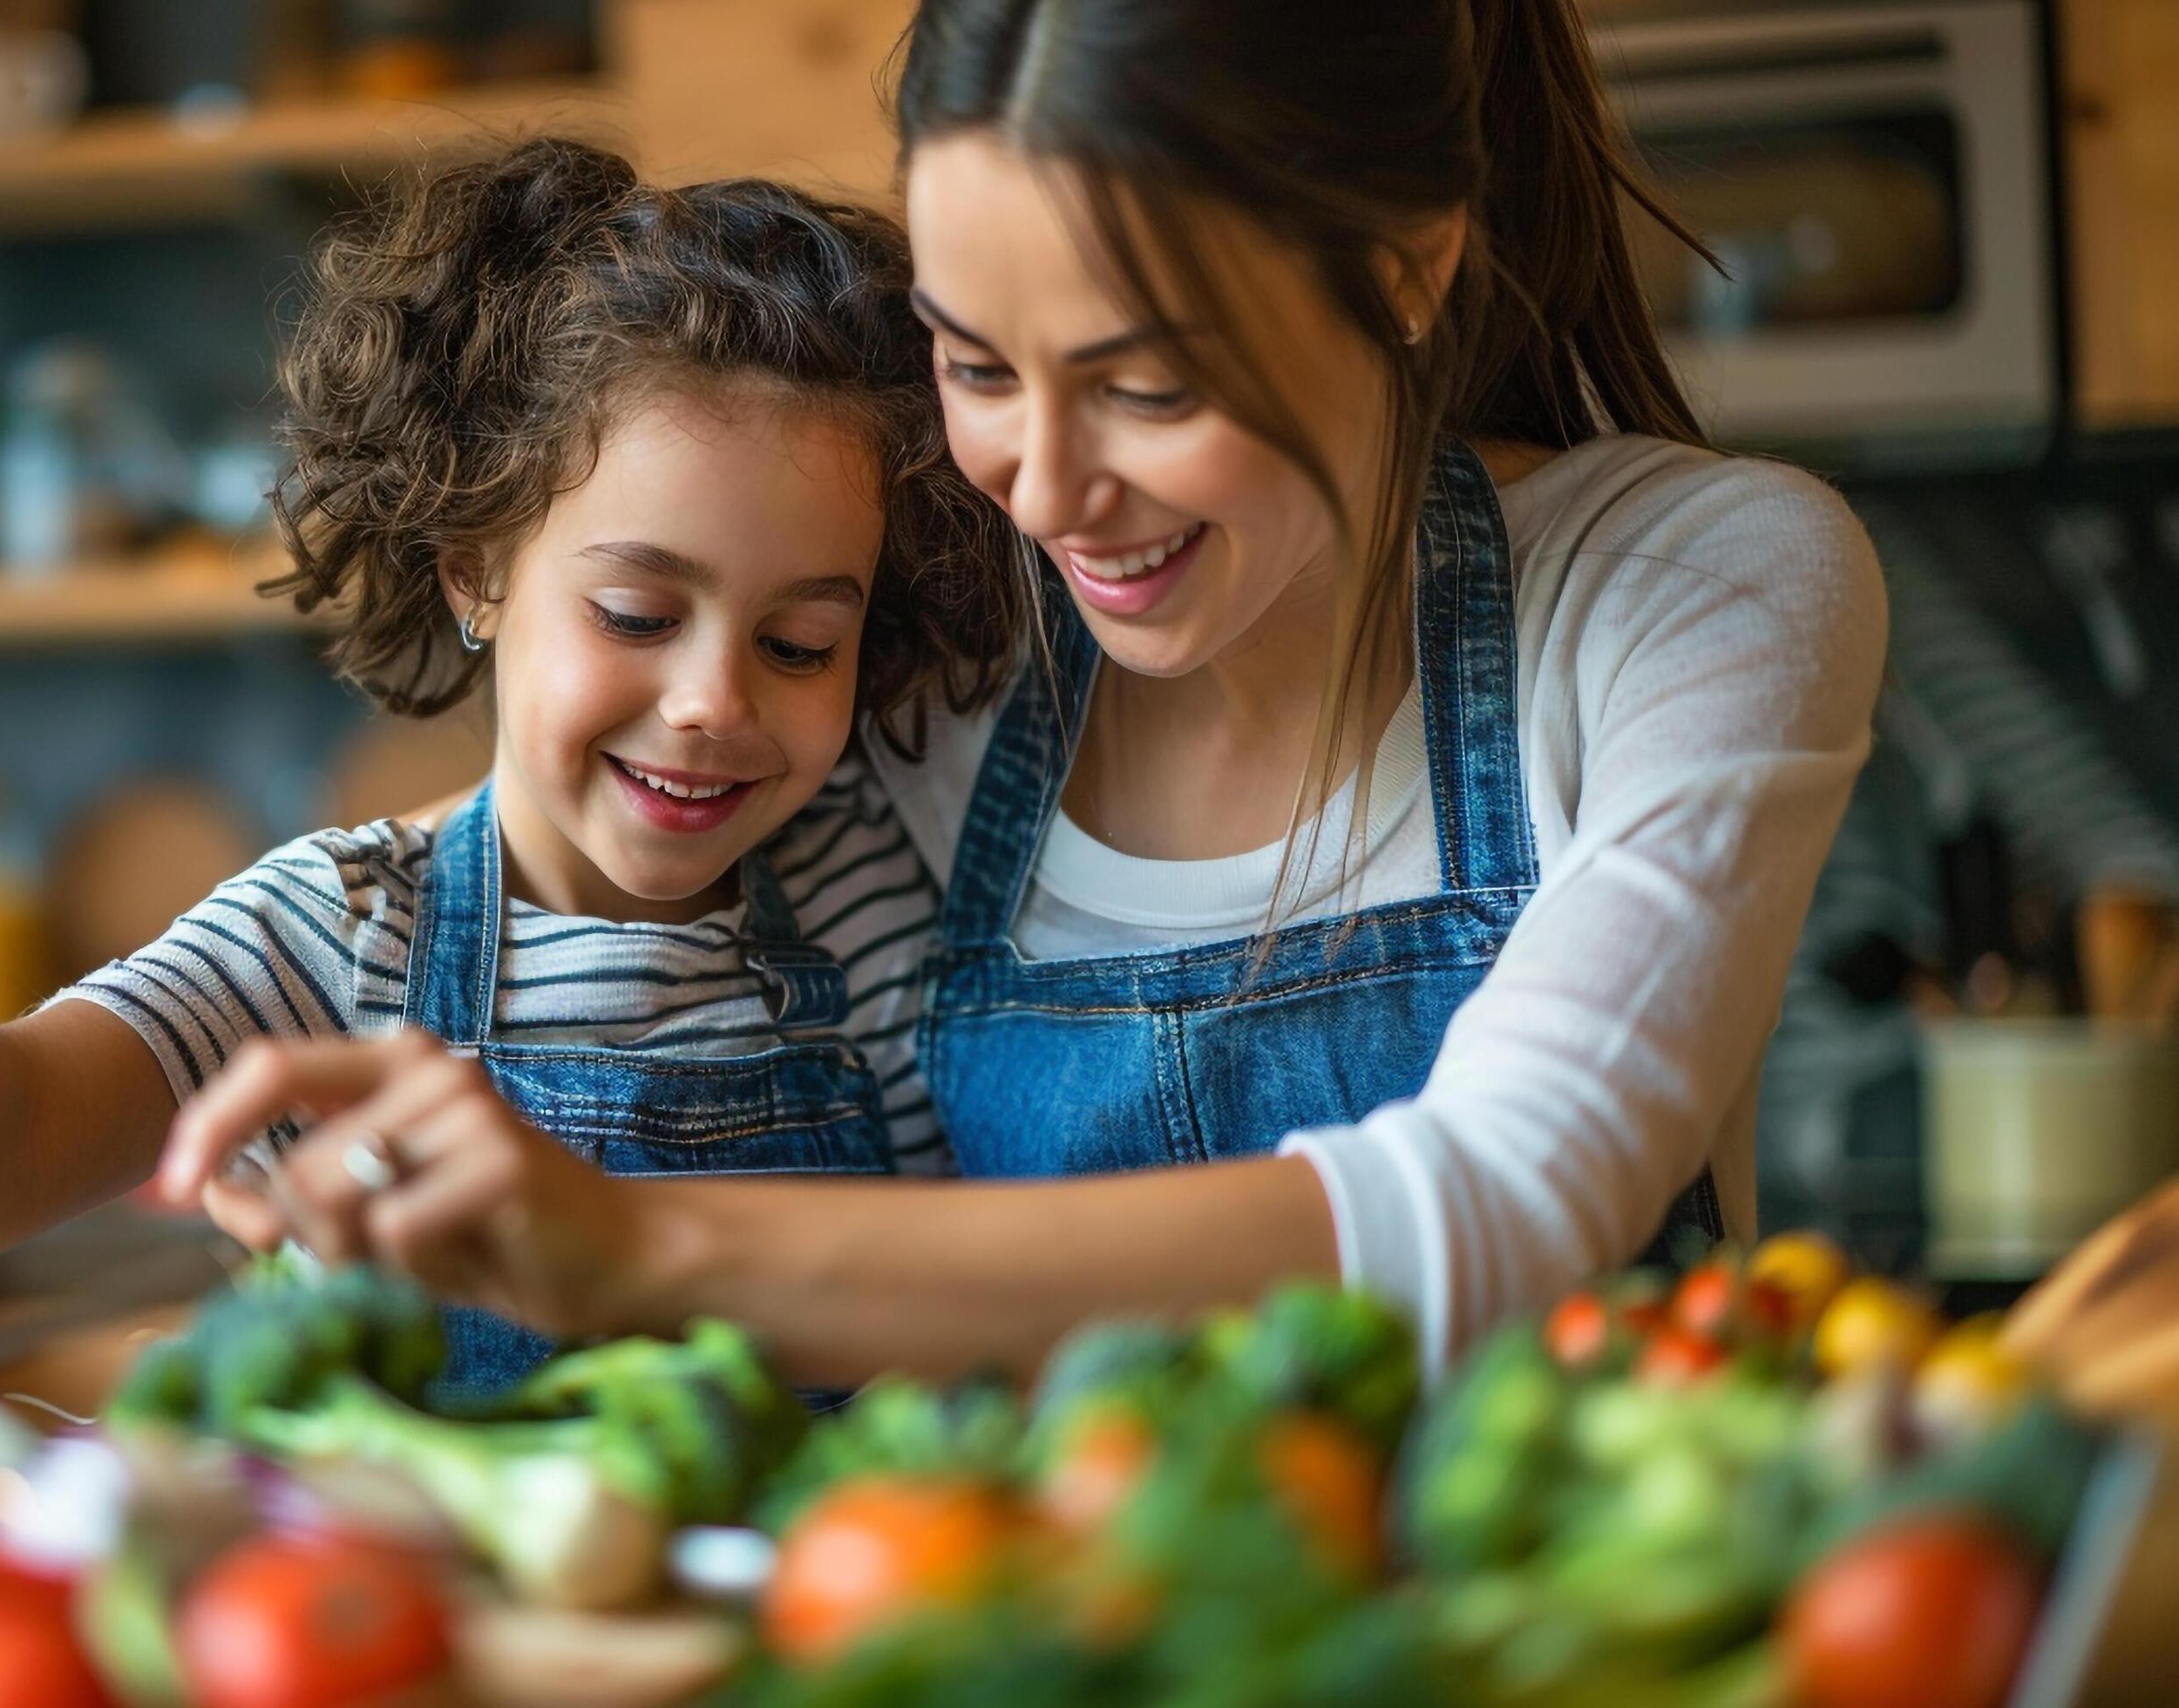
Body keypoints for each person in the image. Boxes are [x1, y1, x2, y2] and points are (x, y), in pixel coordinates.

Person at [150, 0, 1888, 1382]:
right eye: (977, 366)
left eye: (1142, 383)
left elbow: (1507, 1198)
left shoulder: (1680, 588)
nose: (1041, 489)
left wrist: (649, 1247)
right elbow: (592, 876)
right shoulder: (942, 650)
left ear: (1406, 266)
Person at [0, 139, 1028, 1391]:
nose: (711, 701)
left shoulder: (880, 876)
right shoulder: (340, 932)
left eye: (796, 645)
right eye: (636, 617)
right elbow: (26, 1102)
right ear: (477, 569)